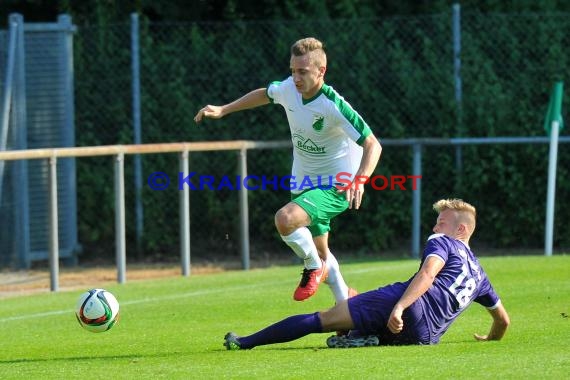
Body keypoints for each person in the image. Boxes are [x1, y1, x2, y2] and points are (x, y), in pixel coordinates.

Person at [194, 37, 382, 303]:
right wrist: (224, 109)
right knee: (322, 251)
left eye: (302, 72)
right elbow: (265, 93)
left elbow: (373, 144)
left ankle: (312, 267)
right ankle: (346, 308)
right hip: (303, 180)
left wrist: (360, 180)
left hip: (337, 183)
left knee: (286, 219)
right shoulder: (289, 89)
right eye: (293, 70)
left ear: (321, 71)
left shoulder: (333, 105)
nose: (295, 77)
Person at [222, 198, 510, 349]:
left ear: (460, 230)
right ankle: (361, 335)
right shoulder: (480, 275)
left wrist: (400, 306)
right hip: (424, 337)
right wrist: (490, 339)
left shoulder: (443, 242)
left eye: (441, 222)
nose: (435, 228)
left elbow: (427, 275)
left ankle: (245, 342)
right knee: (352, 324)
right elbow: (502, 321)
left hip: (408, 307)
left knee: (321, 319)